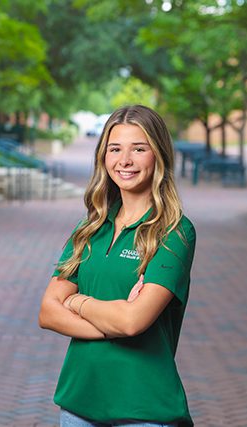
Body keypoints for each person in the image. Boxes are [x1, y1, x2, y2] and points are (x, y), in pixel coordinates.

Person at [38, 105, 196, 426]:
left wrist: (77, 301)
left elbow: (132, 323)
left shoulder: (174, 232)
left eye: (139, 148)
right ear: (103, 156)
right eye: (115, 149)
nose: (124, 160)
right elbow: (47, 312)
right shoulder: (90, 228)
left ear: (159, 155)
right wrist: (116, 317)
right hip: (79, 403)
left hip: (144, 408)